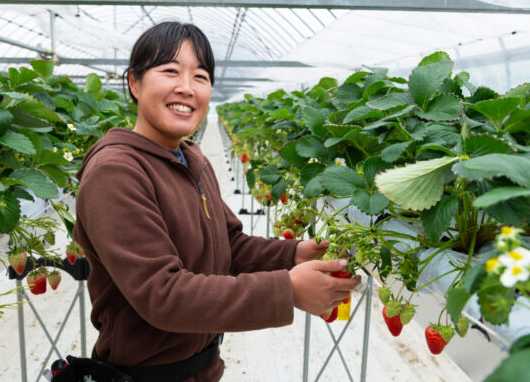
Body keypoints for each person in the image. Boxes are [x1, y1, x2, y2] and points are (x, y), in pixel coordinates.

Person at [71, 21, 362, 382]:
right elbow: (162, 294)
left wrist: (294, 254)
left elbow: (231, 245)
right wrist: (287, 289)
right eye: (170, 71)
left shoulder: (191, 159)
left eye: (201, 77)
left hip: (203, 368)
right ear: (134, 81)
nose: (186, 88)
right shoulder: (115, 172)